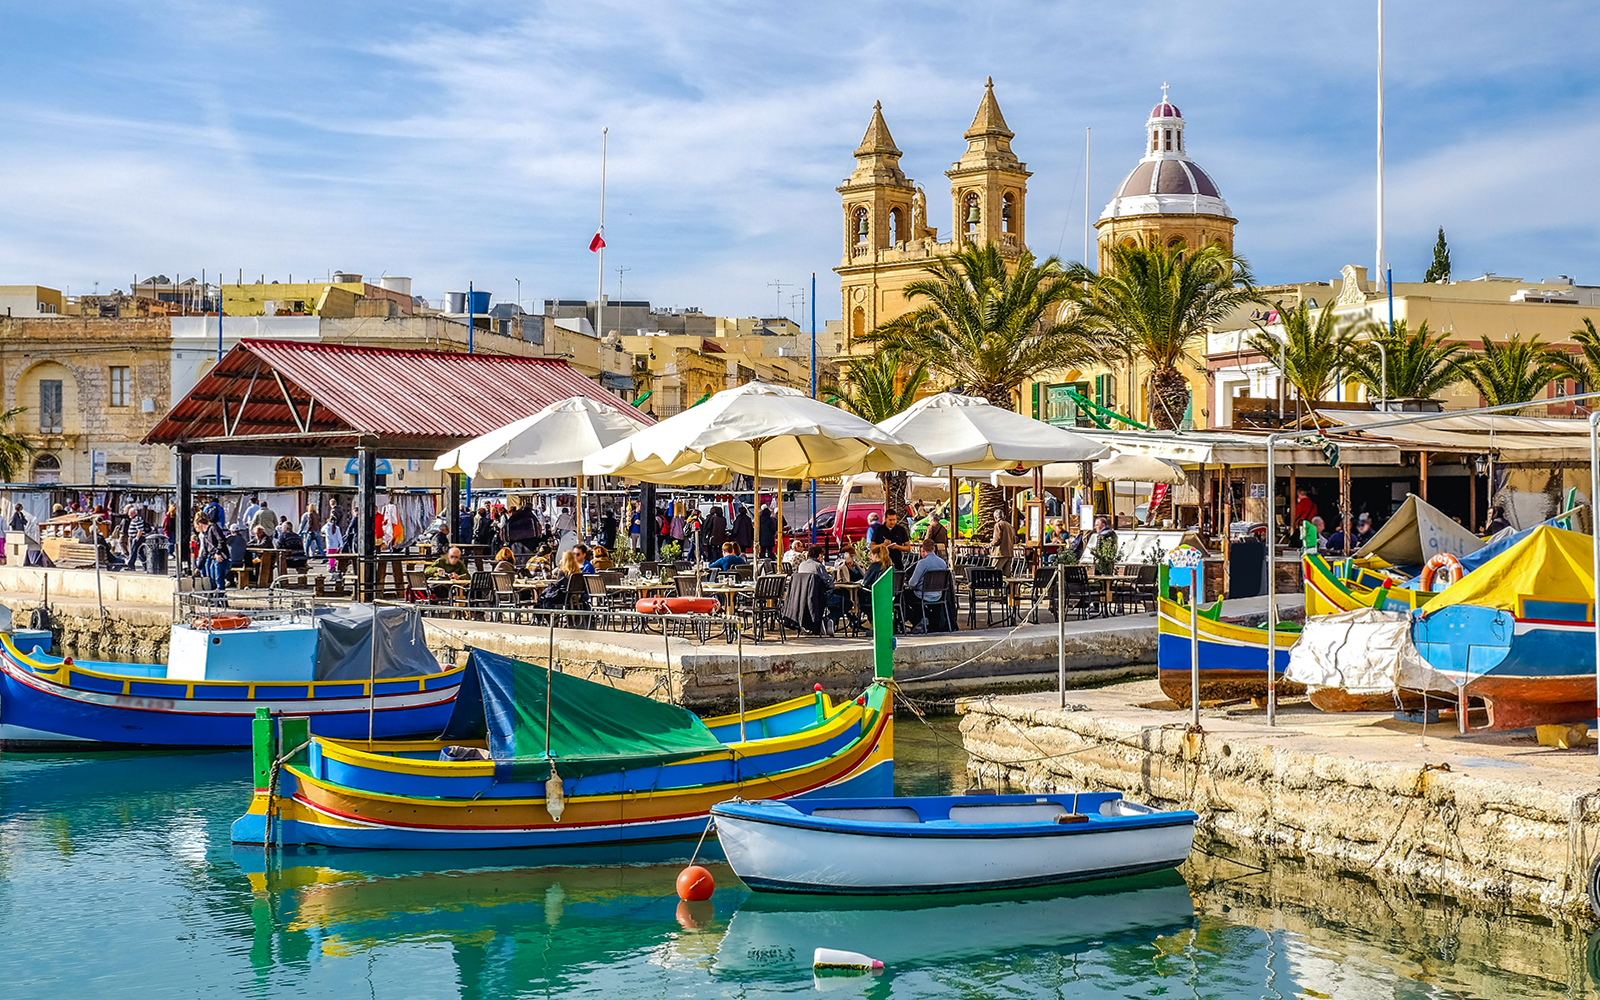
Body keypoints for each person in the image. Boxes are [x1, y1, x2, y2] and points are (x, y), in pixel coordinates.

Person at [904, 538, 950, 631]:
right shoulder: (942, 563)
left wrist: (907, 583)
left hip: (923, 594)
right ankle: (926, 618)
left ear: (923, 549)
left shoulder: (922, 563)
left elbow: (912, 583)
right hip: (939, 594)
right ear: (934, 549)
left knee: (903, 597)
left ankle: (917, 620)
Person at [197, 514, 230, 591]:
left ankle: (220, 598)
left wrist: (218, 553)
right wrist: (199, 567)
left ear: (200, 524)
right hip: (214, 557)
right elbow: (204, 552)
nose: (197, 529)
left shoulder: (213, 528)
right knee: (212, 580)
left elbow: (221, 540)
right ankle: (216, 599)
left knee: (218, 579)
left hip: (220, 557)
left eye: (197, 526)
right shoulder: (205, 535)